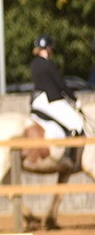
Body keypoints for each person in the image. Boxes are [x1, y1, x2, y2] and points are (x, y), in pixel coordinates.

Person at [30, 35, 84, 170]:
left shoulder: (34, 64)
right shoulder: (48, 64)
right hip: (50, 100)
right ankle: (69, 155)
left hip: (36, 101)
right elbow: (60, 84)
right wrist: (74, 100)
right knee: (77, 123)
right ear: (48, 49)